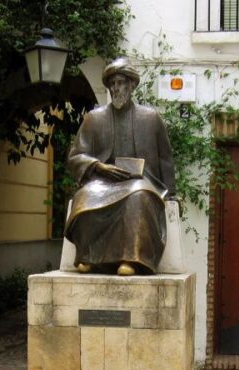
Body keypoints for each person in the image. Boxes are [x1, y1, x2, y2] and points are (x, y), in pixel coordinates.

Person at [66, 57, 176, 276]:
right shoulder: (94, 118)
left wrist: (171, 193)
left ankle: (131, 258)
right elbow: (76, 155)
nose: (116, 88)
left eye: (121, 83)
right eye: (113, 84)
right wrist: (99, 166)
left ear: (132, 85)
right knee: (85, 196)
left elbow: (165, 157)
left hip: (140, 180)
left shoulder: (150, 118)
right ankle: (88, 256)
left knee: (138, 196)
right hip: (103, 180)